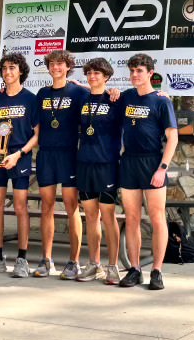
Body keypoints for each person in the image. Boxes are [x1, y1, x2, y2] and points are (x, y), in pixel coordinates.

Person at [0, 53, 39, 278]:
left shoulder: (31, 99)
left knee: (21, 207)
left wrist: (19, 154)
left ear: (21, 70)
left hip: (19, 160)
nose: (8, 72)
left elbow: (37, 135)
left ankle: (22, 259)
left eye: (12, 68)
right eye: (4, 68)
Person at [118, 53, 178, 290]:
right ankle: (135, 269)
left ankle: (157, 271)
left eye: (139, 71)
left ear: (150, 73)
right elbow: (97, 90)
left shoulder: (162, 101)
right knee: (131, 218)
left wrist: (162, 168)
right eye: (132, 71)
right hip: (129, 163)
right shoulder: (126, 97)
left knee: (156, 218)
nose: (134, 75)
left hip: (152, 163)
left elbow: (172, 138)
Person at [33, 50, 88, 279]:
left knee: (71, 207)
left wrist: (114, 91)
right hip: (46, 155)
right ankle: (47, 260)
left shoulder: (78, 92)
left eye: (60, 64)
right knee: (46, 207)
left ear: (68, 67)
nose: (56, 67)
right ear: (48, 67)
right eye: (52, 64)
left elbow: (100, 97)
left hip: (68, 156)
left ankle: (74, 261)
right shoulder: (42, 93)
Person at [75, 58, 123, 285]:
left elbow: (144, 98)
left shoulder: (116, 99)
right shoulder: (82, 98)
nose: (92, 76)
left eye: (97, 73)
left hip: (107, 165)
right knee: (91, 216)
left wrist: (162, 95)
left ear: (107, 77)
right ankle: (94, 264)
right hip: (85, 163)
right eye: (90, 73)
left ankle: (113, 265)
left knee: (108, 215)